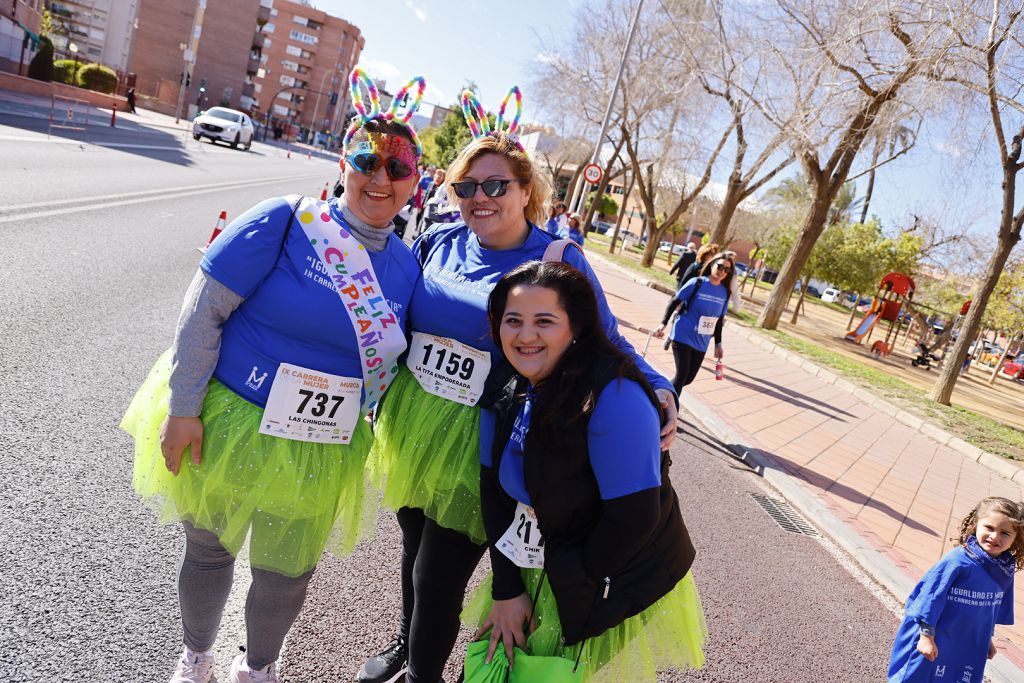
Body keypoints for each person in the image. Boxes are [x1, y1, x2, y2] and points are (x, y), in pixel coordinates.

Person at [358, 87, 677, 683]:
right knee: (414, 543)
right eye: (467, 187)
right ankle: (407, 642)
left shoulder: (558, 257)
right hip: (415, 420)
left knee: (440, 570)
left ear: (526, 190)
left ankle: (422, 670)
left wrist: (660, 386)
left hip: (486, 431)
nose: (481, 198)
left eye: (496, 185)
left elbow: (607, 336)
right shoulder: (437, 241)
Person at [121, 68, 426, 683]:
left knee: (286, 574)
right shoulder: (285, 221)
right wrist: (184, 408)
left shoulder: (406, 269)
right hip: (231, 418)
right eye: (367, 160)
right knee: (209, 551)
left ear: (415, 184)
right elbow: (203, 309)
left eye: (397, 170)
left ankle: (257, 668)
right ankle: (197, 656)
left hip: (320, 442)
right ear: (345, 163)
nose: (379, 178)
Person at [464, 260, 706, 681]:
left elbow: (633, 518)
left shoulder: (616, 396)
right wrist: (507, 587)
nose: (525, 336)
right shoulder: (506, 381)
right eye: (512, 320)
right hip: (537, 558)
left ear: (576, 327)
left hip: (608, 571)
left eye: (545, 321)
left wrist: (567, 586)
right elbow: (494, 488)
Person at [887, 497, 1023, 682]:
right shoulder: (958, 560)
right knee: (918, 676)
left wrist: (987, 638)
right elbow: (930, 597)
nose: (995, 536)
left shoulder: (1003, 568)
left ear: (1016, 538)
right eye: (989, 528)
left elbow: (990, 609)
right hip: (935, 634)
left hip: (966, 641)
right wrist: (926, 636)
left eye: (1005, 533)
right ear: (976, 525)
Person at [654, 251, 735, 393]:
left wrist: (718, 344)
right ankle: (667, 410)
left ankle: (658, 392)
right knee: (681, 376)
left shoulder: (725, 293)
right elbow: (674, 302)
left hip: (702, 341)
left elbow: (718, 320)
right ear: (712, 265)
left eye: (727, 270)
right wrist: (663, 323)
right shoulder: (697, 283)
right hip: (683, 334)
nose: (723, 271)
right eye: (720, 266)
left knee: (688, 379)